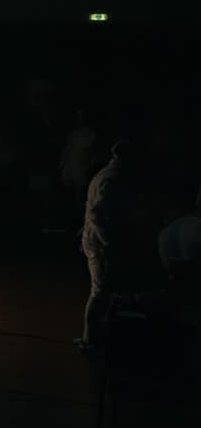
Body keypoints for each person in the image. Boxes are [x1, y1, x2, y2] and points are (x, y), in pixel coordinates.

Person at [77, 140, 144, 354]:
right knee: (100, 293)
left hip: (96, 242)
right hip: (100, 246)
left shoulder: (107, 174)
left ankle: (93, 338)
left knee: (101, 292)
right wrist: (109, 242)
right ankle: (90, 341)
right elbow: (97, 213)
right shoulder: (113, 178)